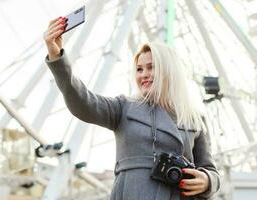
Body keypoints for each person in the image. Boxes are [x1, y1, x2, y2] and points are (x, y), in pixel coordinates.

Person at [43, 17, 220, 200]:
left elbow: (209, 168)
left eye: (151, 68)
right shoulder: (123, 107)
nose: (144, 75)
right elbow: (83, 103)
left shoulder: (194, 119)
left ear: (169, 71)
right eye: (139, 69)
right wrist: (57, 58)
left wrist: (207, 181)